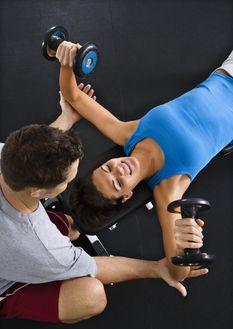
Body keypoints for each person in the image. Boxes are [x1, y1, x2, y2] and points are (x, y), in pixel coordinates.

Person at [0, 81, 191, 325]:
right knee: (91, 295)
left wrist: (66, 118)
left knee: (67, 226)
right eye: (66, 182)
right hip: (11, 269)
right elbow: (95, 267)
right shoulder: (45, 247)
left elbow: (31, 150)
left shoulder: (8, 155)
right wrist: (157, 268)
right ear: (38, 191)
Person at [56, 41, 233, 283]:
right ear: (127, 196)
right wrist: (181, 241)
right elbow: (177, 271)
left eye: (108, 168)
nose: (119, 169)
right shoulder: (168, 189)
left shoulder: (130, 134)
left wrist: (66, 63)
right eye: (118, 184)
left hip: (227, 72)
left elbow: (72, 95)